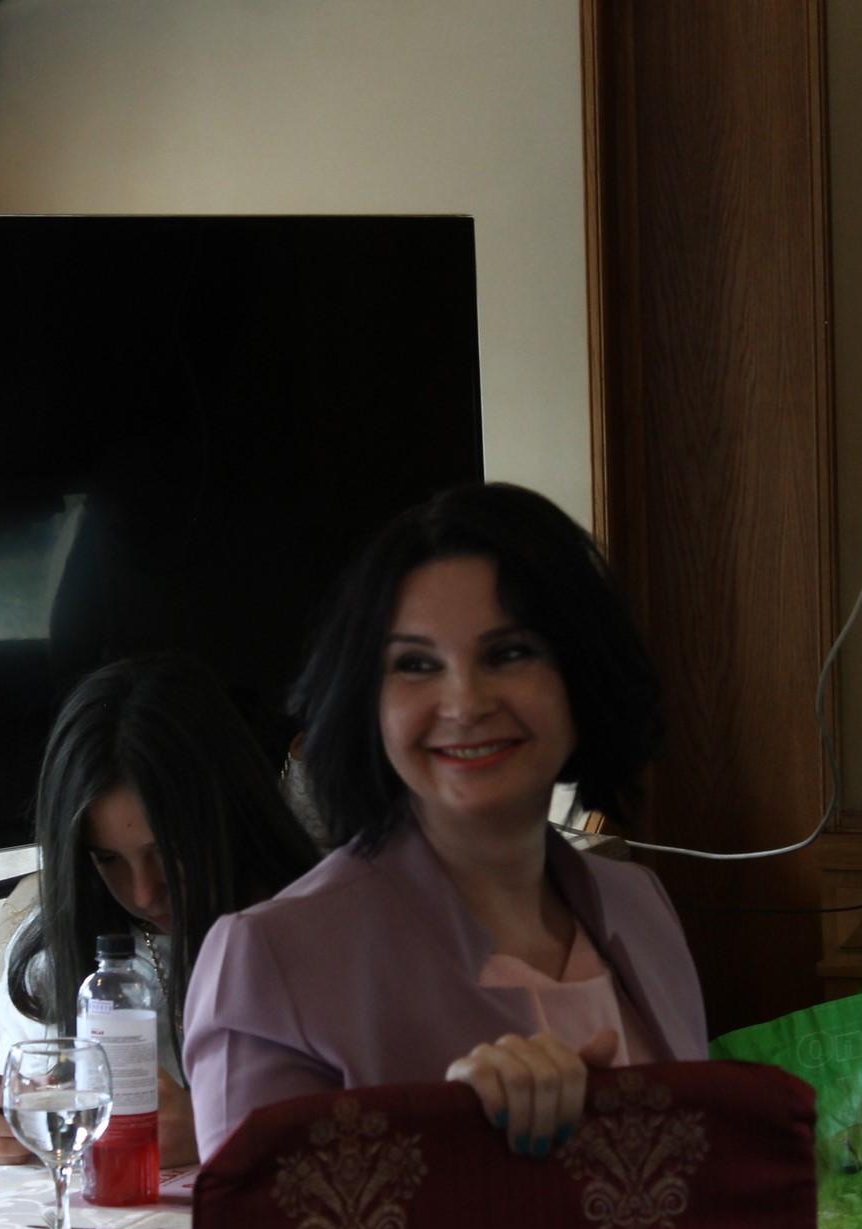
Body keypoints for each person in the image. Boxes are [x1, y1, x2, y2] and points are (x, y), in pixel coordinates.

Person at [182, 481, 706, 1161]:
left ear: (583, 673)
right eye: (416, 664)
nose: (464, 703)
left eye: (508, 653)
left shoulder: (643, 907)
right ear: (367, 702)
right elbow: (262, 1225)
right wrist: (448, 1141)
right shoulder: (268, 958)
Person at [0, 655, 317, 1168]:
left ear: (229, 817)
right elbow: (35, 1145)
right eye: (107, 859)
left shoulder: (324, 934)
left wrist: (220, 1130)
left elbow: (391, 1141)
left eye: (168, 853)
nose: (144, 893)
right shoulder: (51, 955)